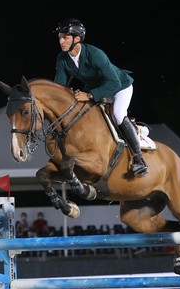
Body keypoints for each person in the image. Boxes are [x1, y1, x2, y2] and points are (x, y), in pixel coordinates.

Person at [53, 18, 148, 176]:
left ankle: (139, 159)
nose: (61, 41)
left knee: (118, 114)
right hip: (96, 88)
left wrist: (90, 95)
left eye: (65, 38)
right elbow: (59, 87)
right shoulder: (62, 58)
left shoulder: (95, 54)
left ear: (77, 39)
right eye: (60, 38)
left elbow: (114, 83)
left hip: (119, 86)